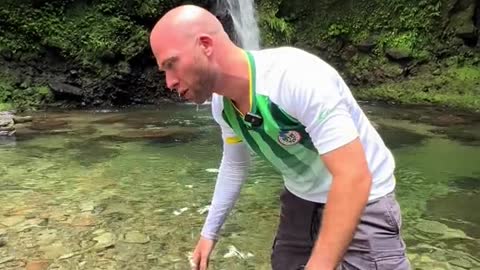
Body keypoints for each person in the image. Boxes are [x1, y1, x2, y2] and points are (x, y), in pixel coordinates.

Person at [149, 4, 410, 270]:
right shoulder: (222, 106)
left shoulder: (297, 78)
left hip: (365, 199)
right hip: (301, 201)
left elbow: (354, 177)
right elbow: (235, 165)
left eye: (172, 64)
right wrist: (209, 233)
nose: (169, 82)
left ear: (205, 45)